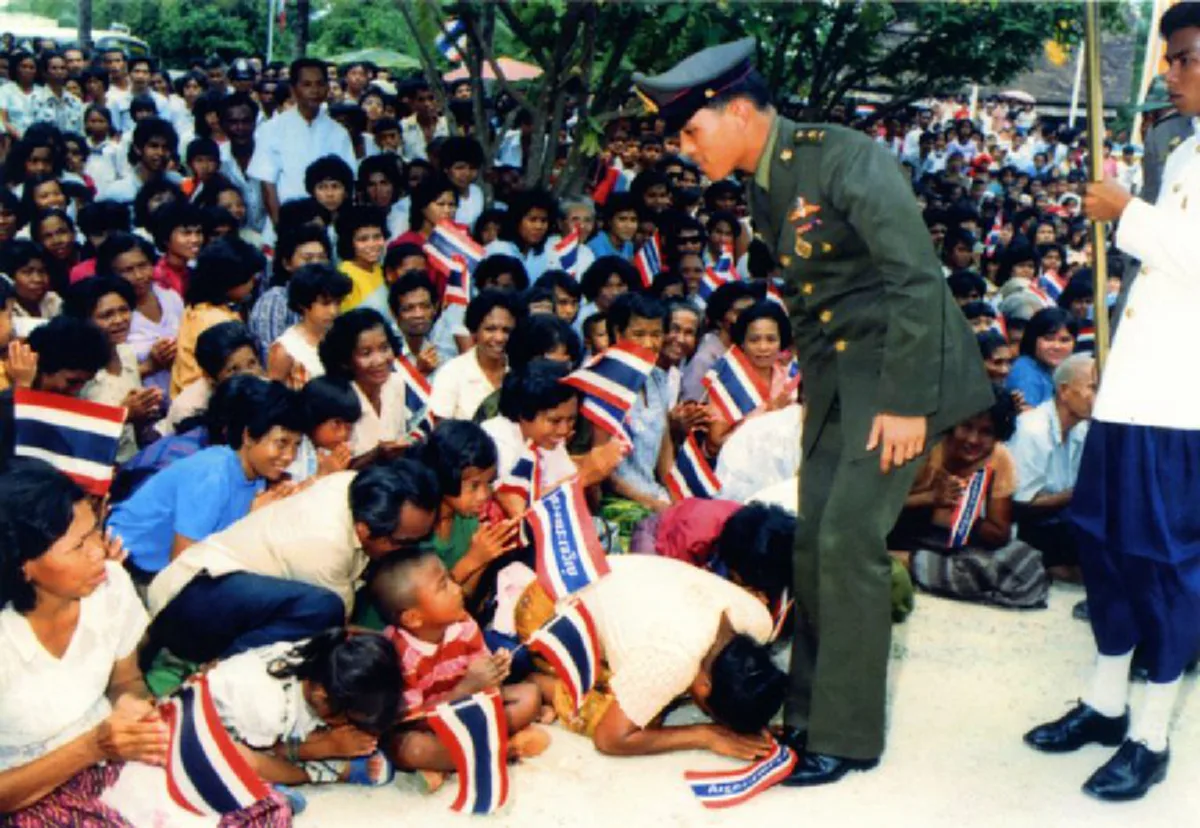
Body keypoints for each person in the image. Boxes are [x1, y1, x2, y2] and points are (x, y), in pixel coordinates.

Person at [635, 38, 992, 783]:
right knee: (812, 543)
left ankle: (847, 737)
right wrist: (816, 394)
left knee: (848, 544)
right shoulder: (765, 182)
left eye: (691, 131)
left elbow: (916, 282)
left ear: (737, 112)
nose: (683, 148)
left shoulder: (844, 158)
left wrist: (901, 404)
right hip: (840, 383)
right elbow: (822, 302)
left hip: (901, 374)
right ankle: (808, 718)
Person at [1023, 5, 1200, 802]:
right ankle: (1103, 699)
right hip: (1133, 394)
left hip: (1183, 405)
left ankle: (1151, 732)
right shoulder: (1187, 148)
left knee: (1164, 565)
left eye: (1188, 59)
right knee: (1103, 545)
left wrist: (1126, 213)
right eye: (1171, 60)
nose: (1173, 73)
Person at [0, 460, 290, 825]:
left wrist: (132, 709)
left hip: (108, 753)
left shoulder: (109, 586)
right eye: (78, 546)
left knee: (264, 809)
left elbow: (126, 681)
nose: (99, 552)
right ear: (23, 565)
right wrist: (91, 747)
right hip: (30, 787)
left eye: (95, 532)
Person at [146, 458, 440, 664]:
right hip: (187, 603)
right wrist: (406, 644)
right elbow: (339, 628)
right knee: (325, 612)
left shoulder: (355, 486)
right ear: (366, 531)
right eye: (405, 542)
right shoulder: (326, 546)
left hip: (218, 594)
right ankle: (224, 671)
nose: (409, 550)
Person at [374, 552, 549, 792]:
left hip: (470, 708)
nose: (457, 589)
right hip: (428, 725)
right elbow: (414, 722)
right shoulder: (397, 654)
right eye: (443, 586)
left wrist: (495, 671)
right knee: (410, 749)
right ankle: (507, 749)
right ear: (413, 618)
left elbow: (486, 684)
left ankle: (452, 762)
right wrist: (465, 689)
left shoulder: (464, 624)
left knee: (529, 695)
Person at [108, 380, 304, 581]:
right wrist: (250, 521)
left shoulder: (259, 475)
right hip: (130, 566)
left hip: (169, 568)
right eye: (281, 443)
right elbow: (183, 569)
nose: (289, 456)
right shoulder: (212, 475)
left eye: (297, 445)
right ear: (248, 437)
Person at [889, 390, 1047, 609]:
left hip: (952, 544)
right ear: (953, 424)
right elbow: (874, 509)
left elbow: (999, 534)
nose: (973, 440)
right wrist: (930, 498)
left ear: (998, 435)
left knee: (1022, 561)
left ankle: (910, 565)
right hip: (902, 532)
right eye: (966, 427)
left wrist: (961, 513)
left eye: (986, 432)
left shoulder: (999, 458)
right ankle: (899, 561)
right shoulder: (927, 447)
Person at [205, 629, 399, 788]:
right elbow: (263, 756)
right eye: (348, 719)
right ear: (321, 696)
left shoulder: (323, 655)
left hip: (252, 721)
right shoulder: (269, 711)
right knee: (253, 768)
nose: (350, 725)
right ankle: (324, 774)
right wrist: (327, 747)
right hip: (208, 743)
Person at [1009, 353, 1094, 579]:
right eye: (1092, 388)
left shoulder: (1082, 429)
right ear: (1064, 391)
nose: (1098, 397)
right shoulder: (1033, 429)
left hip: (1057, 518)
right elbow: (1021, 503)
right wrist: (1076, 495)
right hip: (1025, 527)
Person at [63, 276, 163, 461]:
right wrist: (123, 414)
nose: (119, 320)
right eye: (106, 315)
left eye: (124, 310)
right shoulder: (76, 373)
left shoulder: (126, 353)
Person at [248, 58, 355, 228]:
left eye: (319, 84)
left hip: (329, 227)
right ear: (293, 89)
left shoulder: (339, 133)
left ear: (327, 87)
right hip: (284, 224)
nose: (314, 90)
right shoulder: (271, 129)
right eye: (307, 84)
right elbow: (268, 185)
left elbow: (347, 184)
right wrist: (280, 227)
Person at [170, 235, 265, 398]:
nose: (252, 284)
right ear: (230, 281)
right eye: (249, 279)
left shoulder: (197, 308)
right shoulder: (218, 320)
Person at [319, 308, 410, 463]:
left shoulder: (396, 383)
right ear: (345, 360)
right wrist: (376, 455)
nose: (380, 360)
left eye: (384, 348)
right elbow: (330, 468)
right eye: (366, 353)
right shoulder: (335, 399)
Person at [429, 289, 518, 421]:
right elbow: (442, 433)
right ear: (474, 330)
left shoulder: (519, 372)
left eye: (506, 330)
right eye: (490, 329)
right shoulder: (452, 373)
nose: (499, 338)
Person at [268, 262, 351, 389]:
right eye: (325, 303)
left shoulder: (342, 337)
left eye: (338, 303)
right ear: (303, 303)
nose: (333, 311)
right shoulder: (285, 349)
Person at [287, 375, 361, 483]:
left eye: (349, 427)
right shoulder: (294, 449)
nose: (344, 434)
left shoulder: (325, 451)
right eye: (337, 424)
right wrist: (323, 475)